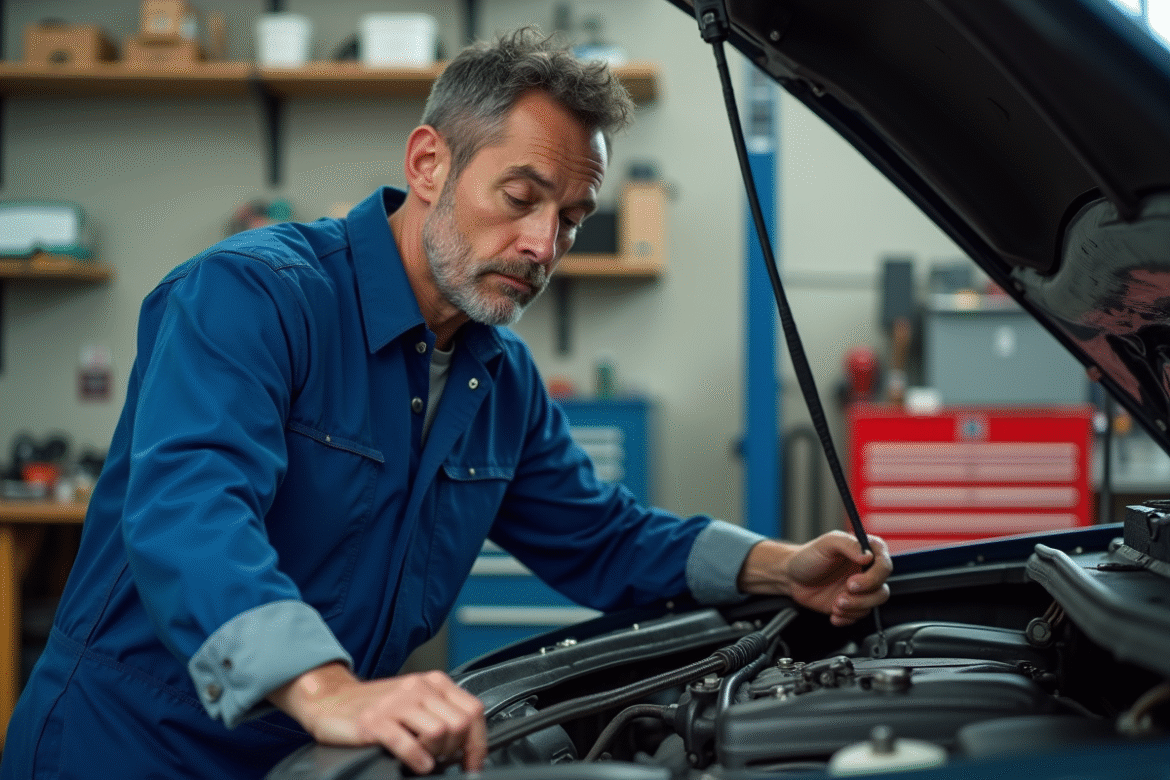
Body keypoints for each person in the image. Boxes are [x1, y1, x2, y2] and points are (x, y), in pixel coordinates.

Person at [0, 27, 891, 780]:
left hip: (319, 755)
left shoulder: (499, 378)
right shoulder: (253, 297)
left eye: (571, 218)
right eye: (521, 197)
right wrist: (324, 688)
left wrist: (778, 566)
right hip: (129, 747)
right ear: (429, 163)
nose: (543, 245)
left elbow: (601, 534)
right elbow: (191, 513)